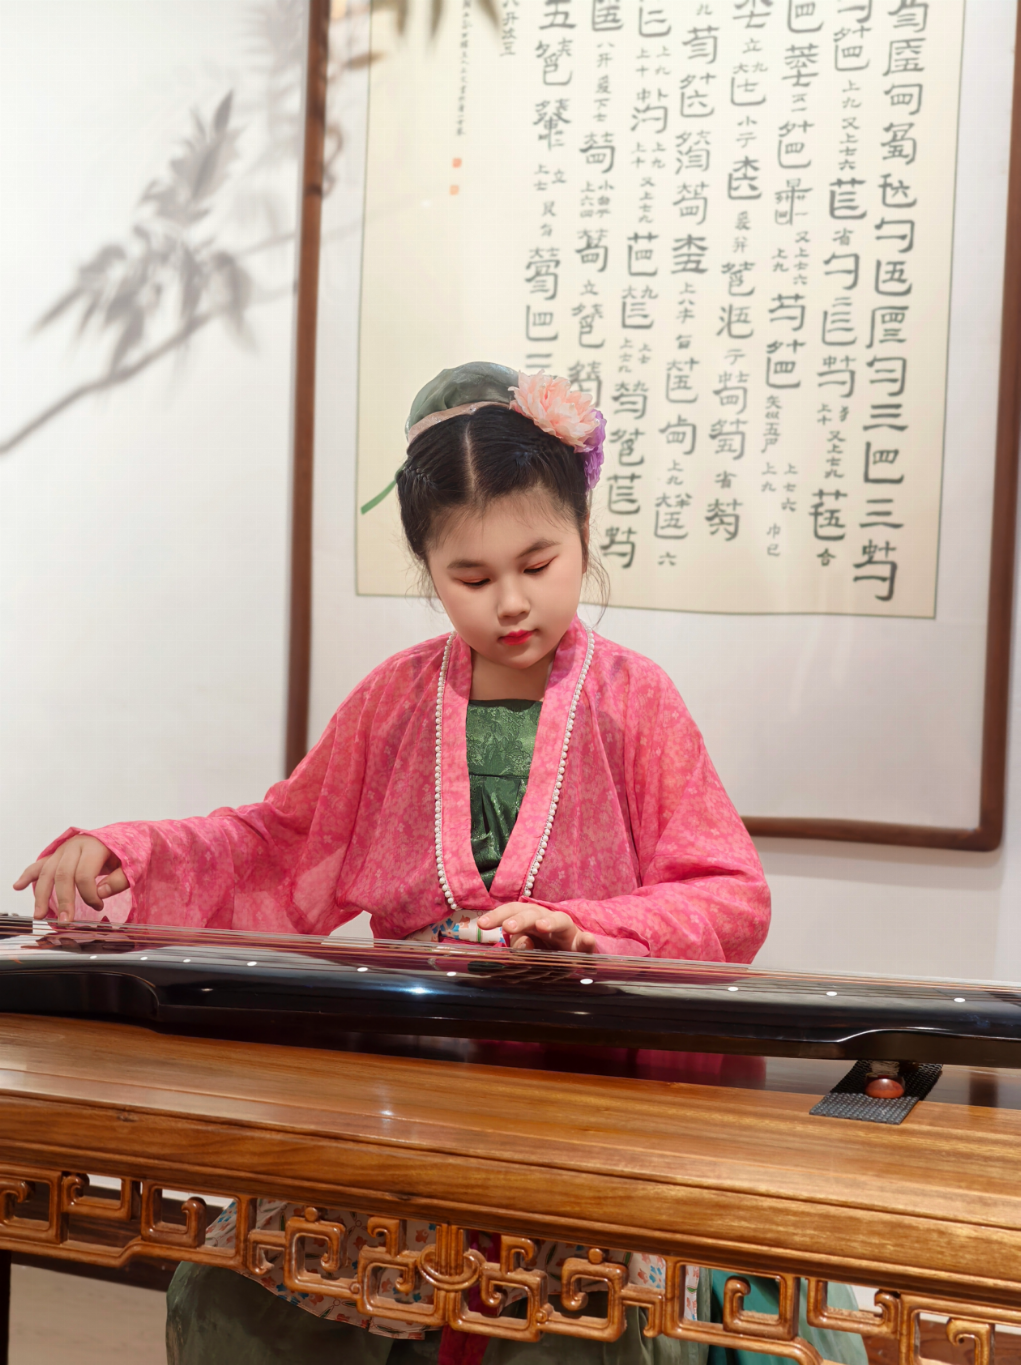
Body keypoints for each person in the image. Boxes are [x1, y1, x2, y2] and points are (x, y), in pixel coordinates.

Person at [15, 363, 862, 1365]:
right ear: (427, 567)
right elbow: (282, 842)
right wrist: (133, 852)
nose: (512, 602)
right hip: (415, 1092)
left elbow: (725, 892)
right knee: (232, 1295)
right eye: (471, 577)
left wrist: (587, 929)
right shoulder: (395, 699)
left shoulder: (636, 700)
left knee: (581, 1335)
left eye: (538, 562)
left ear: (584, 531)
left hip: (592, 1099)